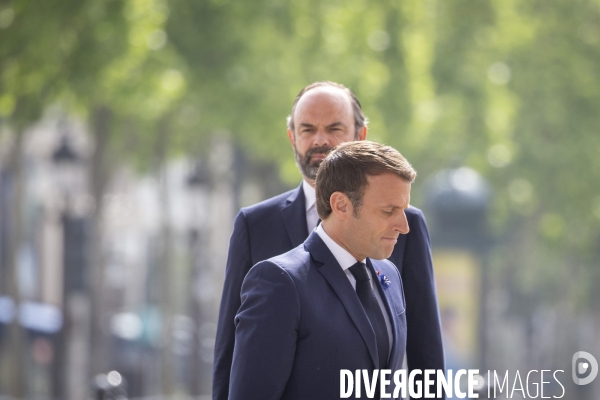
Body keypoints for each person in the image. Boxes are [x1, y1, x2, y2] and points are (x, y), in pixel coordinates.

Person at [213, 82, 445, 399]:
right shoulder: (257, 231)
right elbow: (232, 352)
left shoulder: (395, 253)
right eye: (308, 129)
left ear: (360, 136)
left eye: (334, 128)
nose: (321, 140)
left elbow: (425, 352)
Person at [230, 141, 414, 399]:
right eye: (388, 211)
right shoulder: (279, 283)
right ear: (340, 205)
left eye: (403, 210)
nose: (404, 226)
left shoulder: (390, 276)